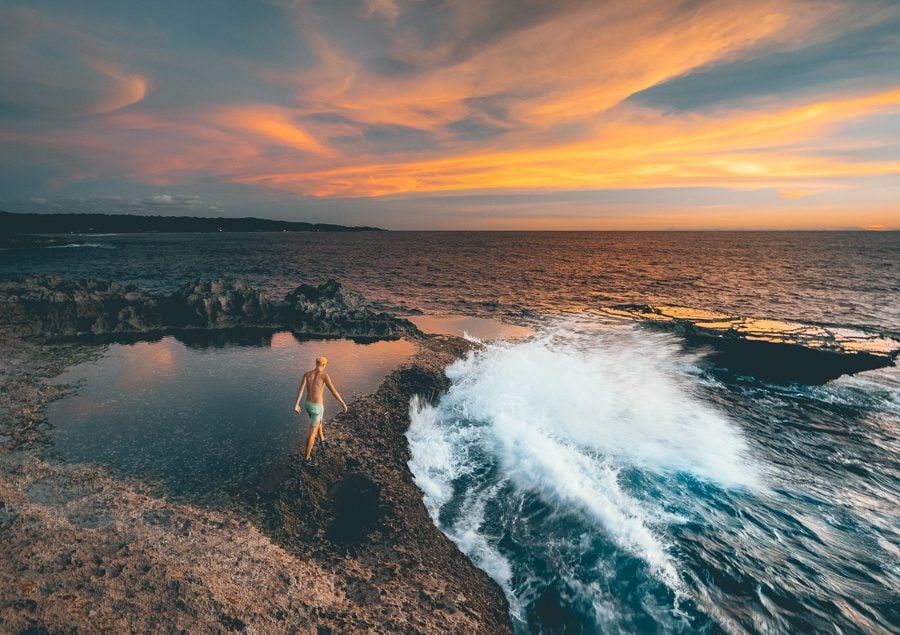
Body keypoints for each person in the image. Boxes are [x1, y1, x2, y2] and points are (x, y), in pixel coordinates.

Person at [294, 355, 348, 463]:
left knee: (318, 421)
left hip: (307, 405)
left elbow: (301, 390)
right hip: (317, 407)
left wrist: (296, 404)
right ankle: (307, 459)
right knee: (312, 434)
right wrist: (342, 403)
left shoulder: (307, 374)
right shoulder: (324, 376)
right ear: (324, 365)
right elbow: (333, 391)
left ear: (316, 363)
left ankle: (322, 439)